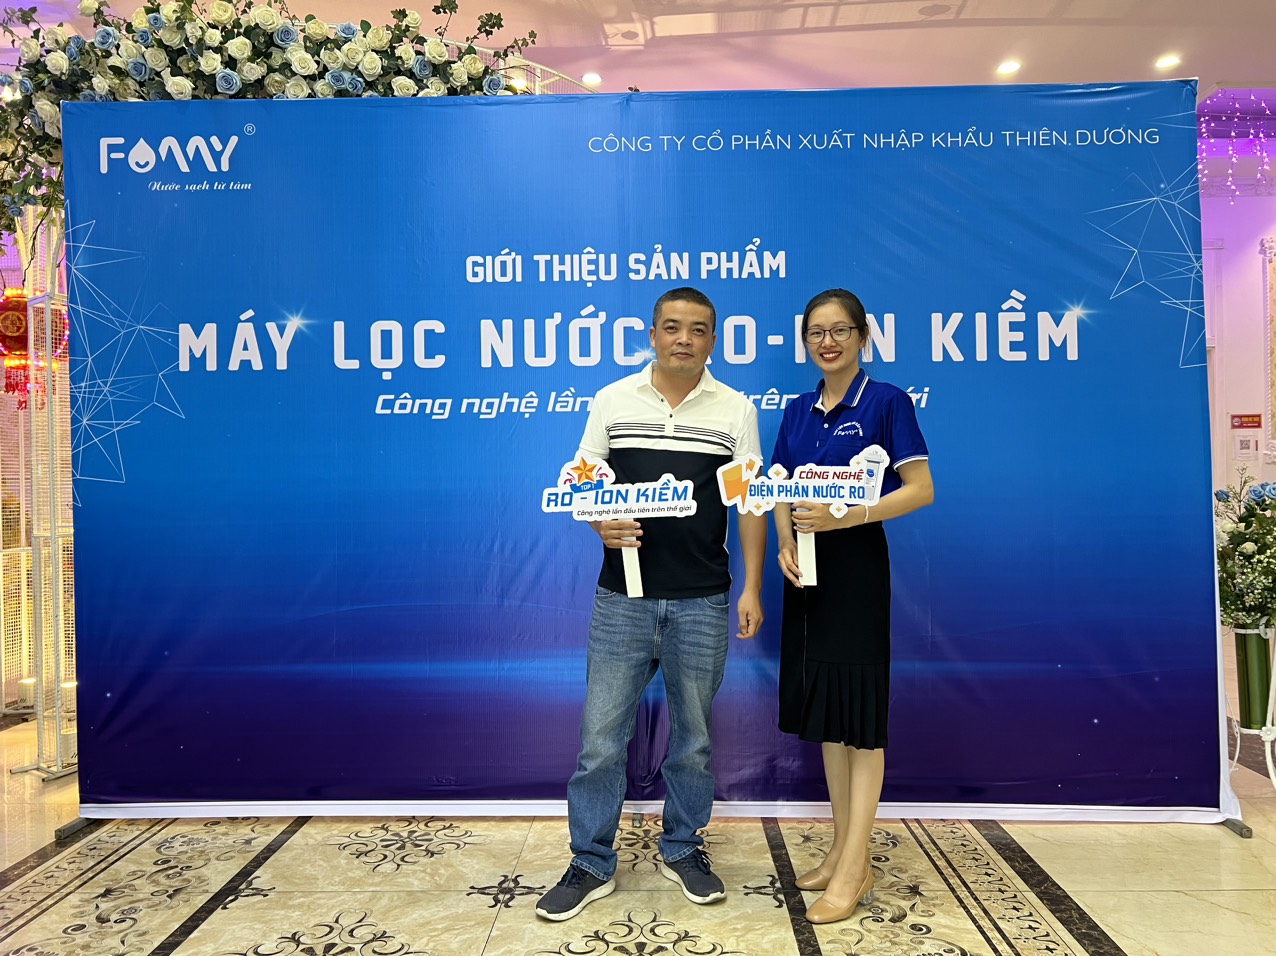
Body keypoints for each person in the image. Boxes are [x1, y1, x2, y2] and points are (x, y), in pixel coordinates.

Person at [536, 287, 767, 922]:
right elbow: (583, 482)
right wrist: (599, 522)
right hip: (623, 602)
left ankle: (683, 848)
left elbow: (750, 503)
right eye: (672, 327)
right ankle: (590, 862)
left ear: (713, 340)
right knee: (600, 740)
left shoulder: (736, 410)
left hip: (703, 601)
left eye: (697, 329)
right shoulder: (613, 400)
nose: (683, 339)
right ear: (653, 334)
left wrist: (751, 586)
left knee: (693, 741)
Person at [770, 288, 934, 925]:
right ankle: (842, 849)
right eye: (816, 332)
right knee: (831, 718)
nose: (828, 342)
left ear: (863, 336)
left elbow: (920, 490)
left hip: (858, 572)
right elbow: (779, 487)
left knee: (860, 723)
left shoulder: (887, 402)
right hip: (806, 576)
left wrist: (849, 516)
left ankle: (856, 864)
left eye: (840, 330)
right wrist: (786, 541)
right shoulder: (796, 411)